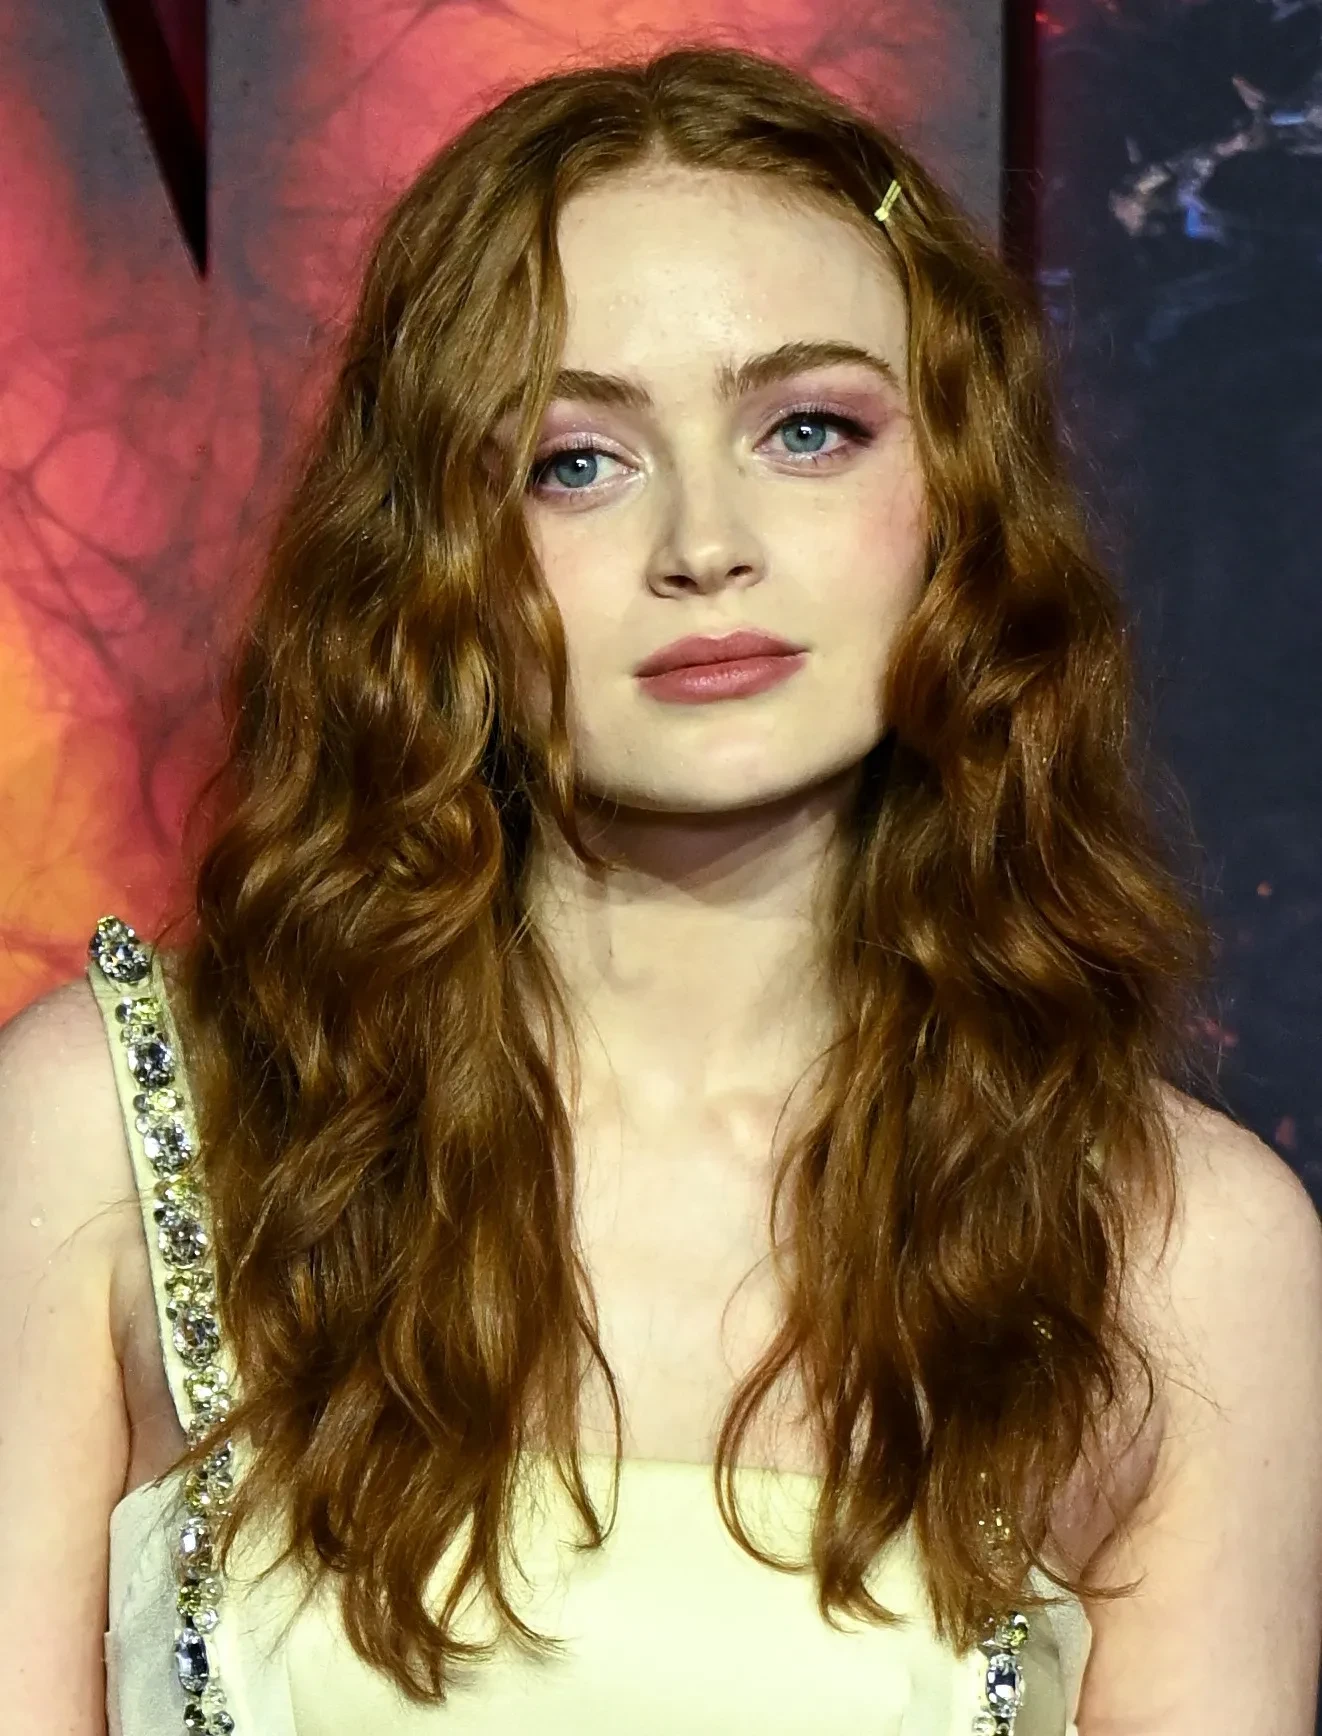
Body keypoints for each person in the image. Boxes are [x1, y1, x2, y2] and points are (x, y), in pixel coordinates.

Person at [2, 41, 1320, 1736]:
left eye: (808, 430)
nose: (705, 543)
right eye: (575, 461)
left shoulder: (1178, 1248)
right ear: (432, 550)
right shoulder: (111, 1132)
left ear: (959, 497)